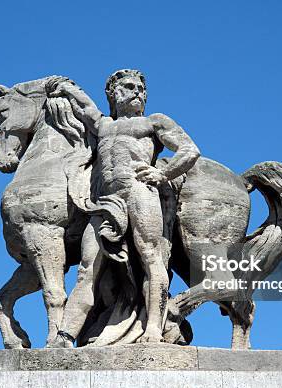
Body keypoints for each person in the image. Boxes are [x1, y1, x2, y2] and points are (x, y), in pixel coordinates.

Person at [48, 69, 200, 345]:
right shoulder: (103, 125)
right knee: (86, 269)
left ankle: (153, 327)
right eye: (129, 86)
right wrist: (62, 85)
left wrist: (163, 175)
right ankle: (65, 336)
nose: (137, 91)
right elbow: (84, 106)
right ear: (113, 93)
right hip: (105, 204)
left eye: (141, 88)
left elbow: (189, 150)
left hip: (139, 192)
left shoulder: (153, 122)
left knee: (151, 257)